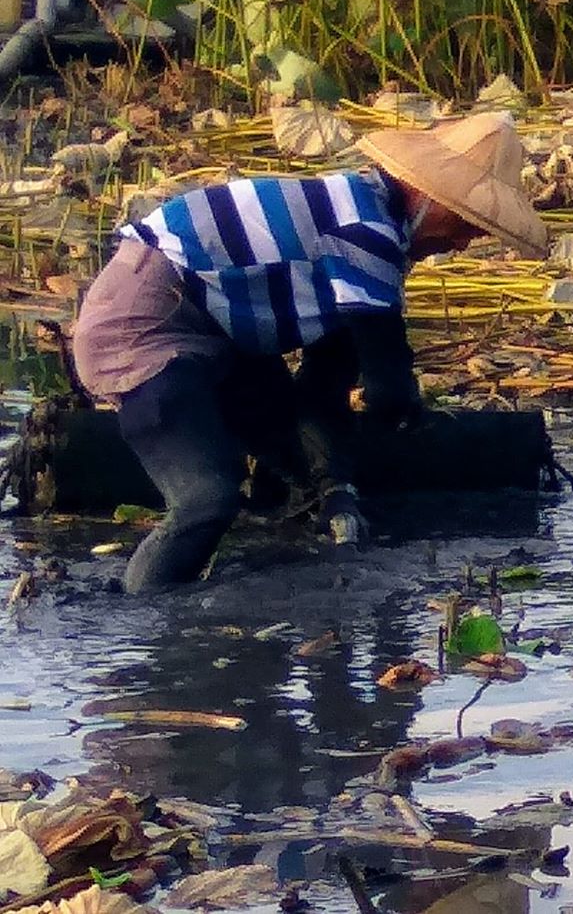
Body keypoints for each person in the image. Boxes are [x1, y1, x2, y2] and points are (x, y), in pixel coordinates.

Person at [68, 110, 548, 594]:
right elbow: (388, 384)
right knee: (207, 498)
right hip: (142, 325)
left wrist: (335, 486)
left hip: (220, 331)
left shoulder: (357, 236)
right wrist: (403, 415)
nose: (464, 241)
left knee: (299, 472)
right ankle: (144, 615)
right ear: (426, 197)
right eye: (465, 222)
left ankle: (284, 579)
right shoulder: (367, 230)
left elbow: (325, 384)